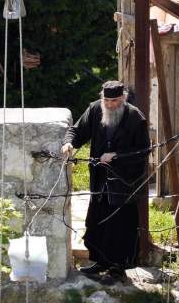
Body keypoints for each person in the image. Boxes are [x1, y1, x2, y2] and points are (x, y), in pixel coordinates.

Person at [62, 80, 149, 284]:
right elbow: (77, 130)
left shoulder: (135, 117)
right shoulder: (94, 109)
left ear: (123, 98)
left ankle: (118, 269)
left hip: (124, 183)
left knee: (120, 226)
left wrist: (116, 155)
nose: (110, 105)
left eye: (115, 101)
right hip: (100, 180)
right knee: (97, 221)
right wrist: (69, 143)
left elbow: (144, 150)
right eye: (107, 100)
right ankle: (100, 262)